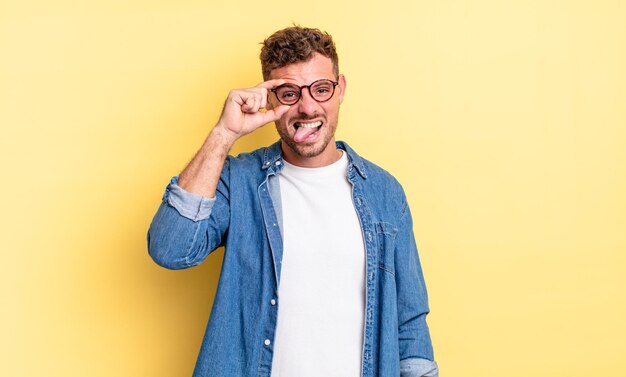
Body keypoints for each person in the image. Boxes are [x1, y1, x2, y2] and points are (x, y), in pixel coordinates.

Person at [147, 26, 438, 377]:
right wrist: (224, 135)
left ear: (340, 89)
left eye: (321, 89)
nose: (307, 107)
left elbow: (409, 323)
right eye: (288, 93)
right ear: (270, 99)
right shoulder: (239, 181)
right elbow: (171, 249)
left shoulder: (384, 192)